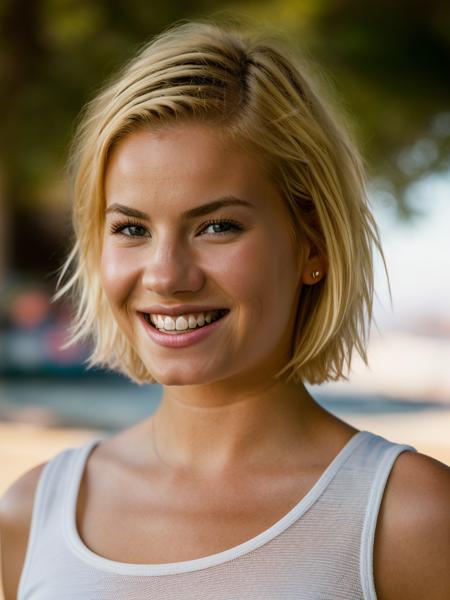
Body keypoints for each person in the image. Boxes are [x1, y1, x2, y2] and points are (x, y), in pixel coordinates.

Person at [1, 19, 449, 600]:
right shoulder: (30, 517)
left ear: (311, 245)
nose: (165, 274)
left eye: (218, 226)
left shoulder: (411, 521)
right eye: (131, 228)